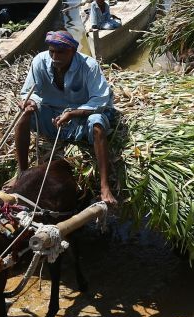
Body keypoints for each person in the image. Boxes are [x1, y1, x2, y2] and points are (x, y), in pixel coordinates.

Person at [14, 29, 118, 206]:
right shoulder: (40, 61)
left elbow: (100, 100)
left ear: (72, 51)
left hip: (81, 118)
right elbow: (28, 92)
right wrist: (29, 103)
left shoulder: (89, 66)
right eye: (52, 51)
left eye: (60, 52)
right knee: (23, 116)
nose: (54, 56)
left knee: (98, 124)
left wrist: (72, 113)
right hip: (53, 118)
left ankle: (104, 186)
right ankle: (22, 173)